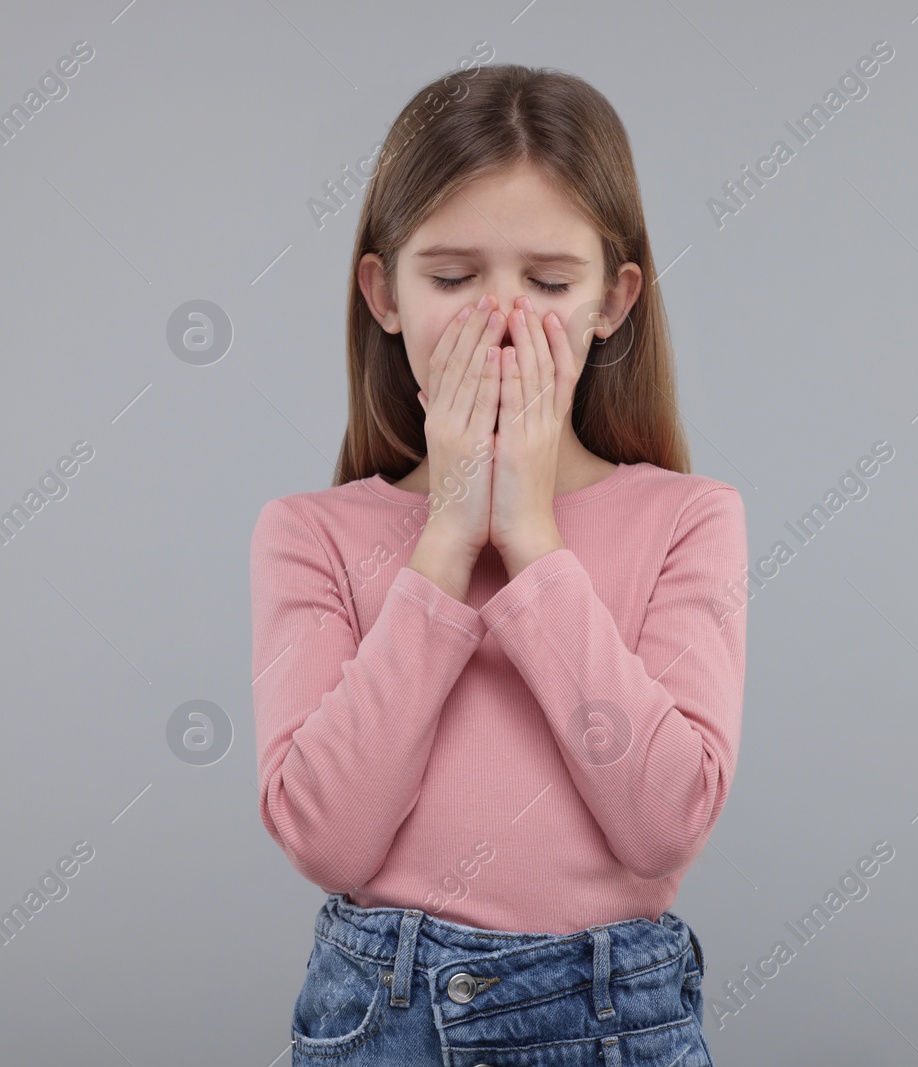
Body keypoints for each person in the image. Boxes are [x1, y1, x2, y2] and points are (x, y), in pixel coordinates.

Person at [248, 63, 746, 1065]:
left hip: (614, 1017)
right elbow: (329, 839)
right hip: (380, 1019)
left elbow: (662, 827)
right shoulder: (309, 533)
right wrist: (445, 540)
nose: (504, 320)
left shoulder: (691, 518)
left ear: (614, 299)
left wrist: (529, 537)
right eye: (452, 278)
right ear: (383, 294)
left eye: (550, 282)